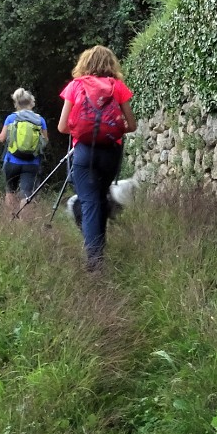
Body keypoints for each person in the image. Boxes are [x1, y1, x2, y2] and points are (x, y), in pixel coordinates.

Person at [58, 46, 137, 272]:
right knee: (101, 198)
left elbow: (62, 127)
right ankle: (99, 250)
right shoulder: (118, 87)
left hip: (84, 152)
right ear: (111, 64)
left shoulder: (75, 86)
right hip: (111, 152)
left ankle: (95, 262)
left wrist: (81, 129)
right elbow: (131, 125)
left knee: (90, 202)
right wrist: (111, 128)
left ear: (84, 64)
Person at [0, 88, 48, 214]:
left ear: (16, 103)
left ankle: (12, 224)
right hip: (32, 163)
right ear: (31, 102)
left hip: (12, 161)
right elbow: (45, 141)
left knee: (10, 191)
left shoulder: (11, 118)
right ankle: (24, 225)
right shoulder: (40, 120)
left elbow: (2, 138)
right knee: (26, 194)